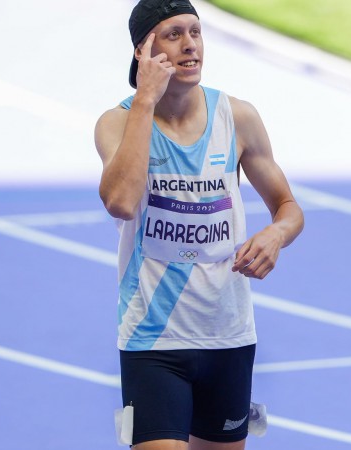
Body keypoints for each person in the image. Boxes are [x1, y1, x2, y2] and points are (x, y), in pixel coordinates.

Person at [94, 0, 304, 448]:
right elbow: (120, 202)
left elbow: (288, 206)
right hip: (153, 338)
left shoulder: (237, 117)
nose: (190, 46)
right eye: (173, 35)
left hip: (227, 333)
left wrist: (275, 235)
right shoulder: (117, 122)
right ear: (142, 50)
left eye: (196, 32)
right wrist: (146, 100)